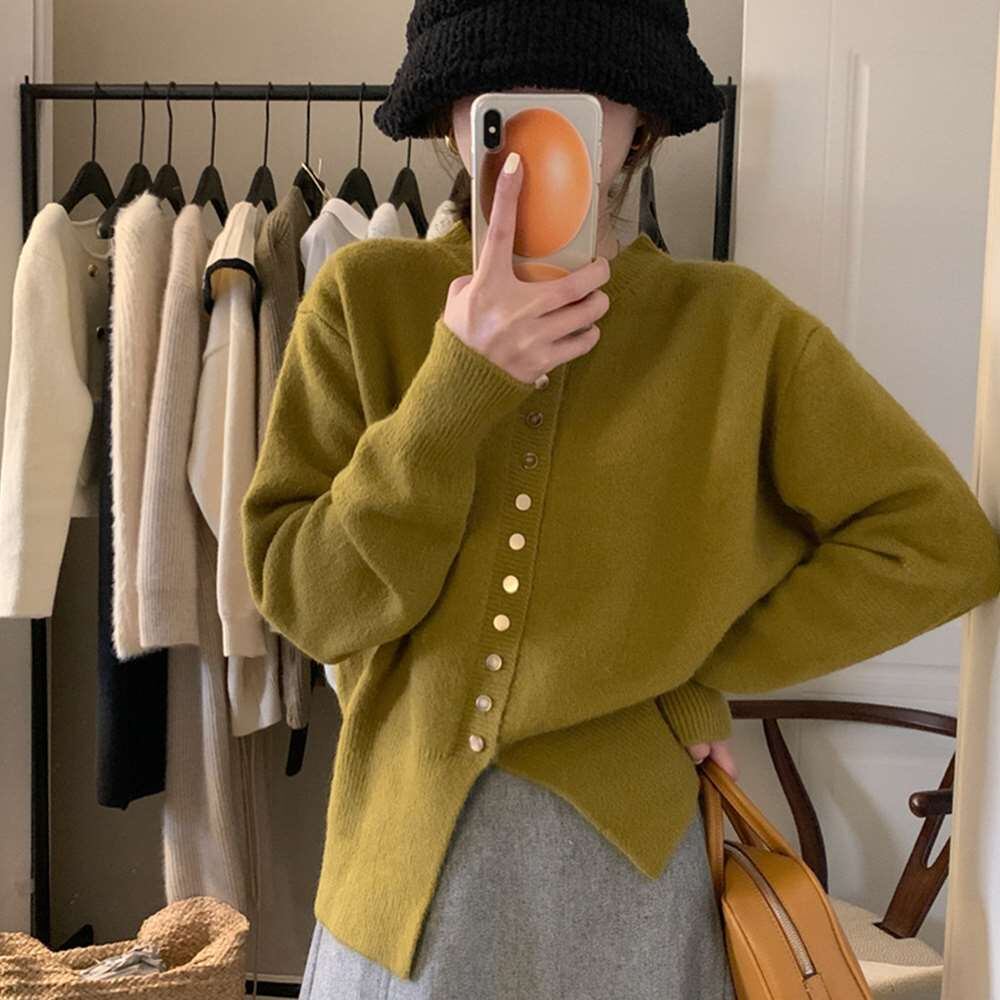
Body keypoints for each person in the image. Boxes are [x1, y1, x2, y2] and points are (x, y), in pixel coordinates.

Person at [241, 1, 1000, 997]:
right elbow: (310, 602)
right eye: (501, 92)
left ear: (639, 122)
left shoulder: (735, 327)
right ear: (450, 120)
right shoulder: (361, 298)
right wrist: (456, 383)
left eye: (579, 90)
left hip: (627, 889)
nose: (538, 119)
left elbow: (937, 542)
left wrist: (685, 664)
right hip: (401, 894)